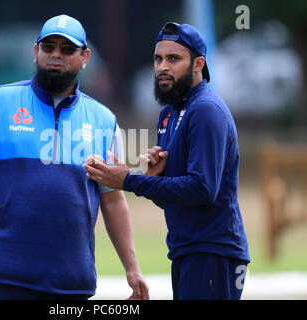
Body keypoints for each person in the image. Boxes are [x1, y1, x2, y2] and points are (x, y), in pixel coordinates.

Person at [0, 14, 149, 300]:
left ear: (85, 57)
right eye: (48, 47)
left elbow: (113, 200)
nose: (56, 55)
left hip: (71, 284)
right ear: (35, 52)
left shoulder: (105, 121)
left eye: (67, 49)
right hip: (3, 278)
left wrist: (132, 268)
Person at [83, 22, 250, 300]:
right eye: (158, 59)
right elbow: (174, 197)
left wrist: (128, 180)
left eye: (173, 59)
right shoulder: (169, 114)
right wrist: (154, 179)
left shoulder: (206, 111)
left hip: (214, 252)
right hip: (186, 250)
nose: (162, 67)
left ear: (198, 64)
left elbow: (202, 189)